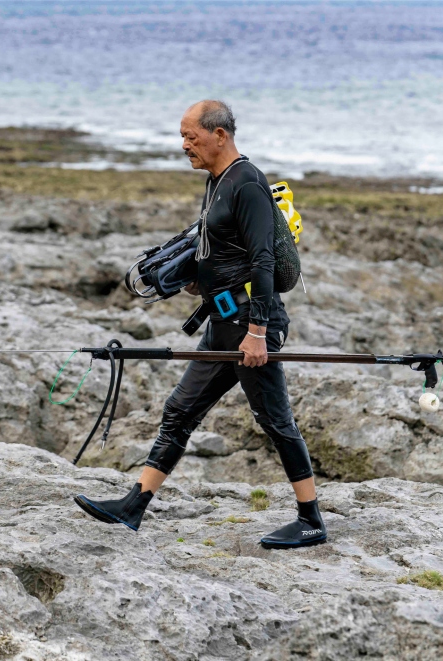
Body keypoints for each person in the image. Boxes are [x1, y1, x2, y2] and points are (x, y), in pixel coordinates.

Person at [74, 100, 326, 549]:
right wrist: (197, 280)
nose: (185, 145)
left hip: (250, 323)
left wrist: (258, 332)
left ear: (220, 135)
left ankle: (311, 520)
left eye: (192, 136)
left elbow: (264, 262)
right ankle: (133, 506)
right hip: (222, 320)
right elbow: (224, 249)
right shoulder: (216, 182)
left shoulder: (247, 183)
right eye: (182, 137)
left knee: (274, 419)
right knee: (180, 410)